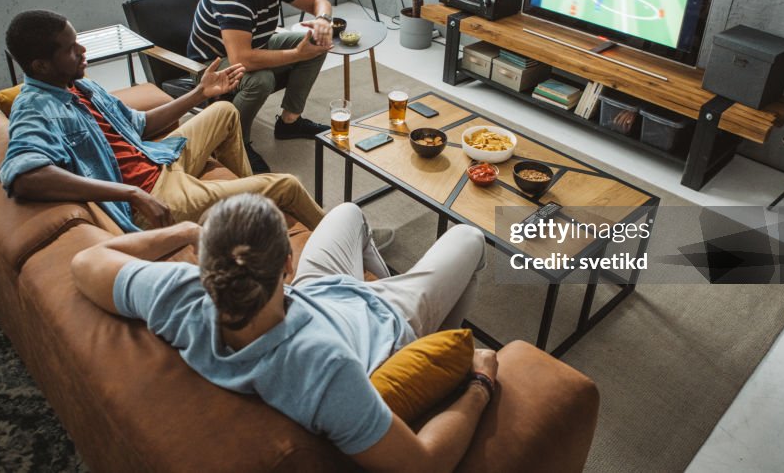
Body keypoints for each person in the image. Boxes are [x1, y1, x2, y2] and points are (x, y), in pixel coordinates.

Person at [71, 194, 493, 471]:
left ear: (202, 262)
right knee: (470, 238)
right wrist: (478, 383)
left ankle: (386, 282)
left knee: (347, 212)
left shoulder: (178, 294)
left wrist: (183, 231)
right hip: (387, 319)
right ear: (287, 263)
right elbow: (424, 466)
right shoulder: (324, 368)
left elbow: (87, 260)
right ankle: (435, 335)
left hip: (316, 291)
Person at [0, 10, 324, 233]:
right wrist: (129, 194)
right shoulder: (34, 108)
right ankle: (350, 246)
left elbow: (140, 125)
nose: (83, 50)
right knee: (287, 183)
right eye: (70, 49)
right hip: (152, 197)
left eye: (77, 40)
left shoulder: (80, 85)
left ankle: (246, 205)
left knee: (224, 112)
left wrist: (199, 93)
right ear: (40, 66)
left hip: (159, 158)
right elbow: (25, 175)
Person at [187, 0, 334, 173]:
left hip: (255, 47)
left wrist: (323, 20)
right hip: (210, 66)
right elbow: (241, 59)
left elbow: (318, 0)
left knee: (317, 45)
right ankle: (235, 144)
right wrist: (297, 54)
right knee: (261, 80)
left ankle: (290, 123)